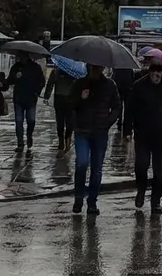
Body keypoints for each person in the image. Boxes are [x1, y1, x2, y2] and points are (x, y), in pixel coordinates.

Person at [124, 58, 162, 214]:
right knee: (141, 166)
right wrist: (127, 131)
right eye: (153, 71)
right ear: (149, 71)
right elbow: (130, 109)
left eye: (159, 71)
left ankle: (156, 201)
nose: (156, 74)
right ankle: (141, 191)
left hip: (161, 134)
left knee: (159, 171)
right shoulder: (139, 86)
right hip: (142, 134)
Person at [69, 64, 120, 215]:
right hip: (82, 131)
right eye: (92, 66)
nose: (95, 69)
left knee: (96, 168)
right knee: (82, 163)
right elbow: (70, 104)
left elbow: (117, 106)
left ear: (103, 67)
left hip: (100, 132)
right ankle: (78, 197)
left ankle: (92, 202)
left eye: (98, 66)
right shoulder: (79, 83)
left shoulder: (109, 85)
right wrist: (81, 98)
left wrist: (108, 122)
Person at [4, 52, 45, 152]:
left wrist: (37, 92)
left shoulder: (36, 67)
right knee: (18, 121)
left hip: (31, 98)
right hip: (19, 98)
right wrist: (15, 77)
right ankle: (20, 143)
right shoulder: (15, 67)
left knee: (31, 120)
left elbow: (42, 81)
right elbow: (9, 81)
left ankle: (29, 134)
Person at [43, 66, 77, 151]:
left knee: (62, 121)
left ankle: (63, 139)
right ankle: (65, 140)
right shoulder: (74, 71)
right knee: (67, 121)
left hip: (63, 99)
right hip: (67, 99)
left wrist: (47, 96)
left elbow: (50, 84)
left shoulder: (57, 71)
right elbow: (50, 84)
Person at [112, 66, 134, 141]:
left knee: (120, 105)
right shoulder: (128, 65)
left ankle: (119, 122)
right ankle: (126, 127)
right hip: (128, 86)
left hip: (119, 85)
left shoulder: (116, 65)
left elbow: (114, 74)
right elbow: (132, 75)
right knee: (127, 107)